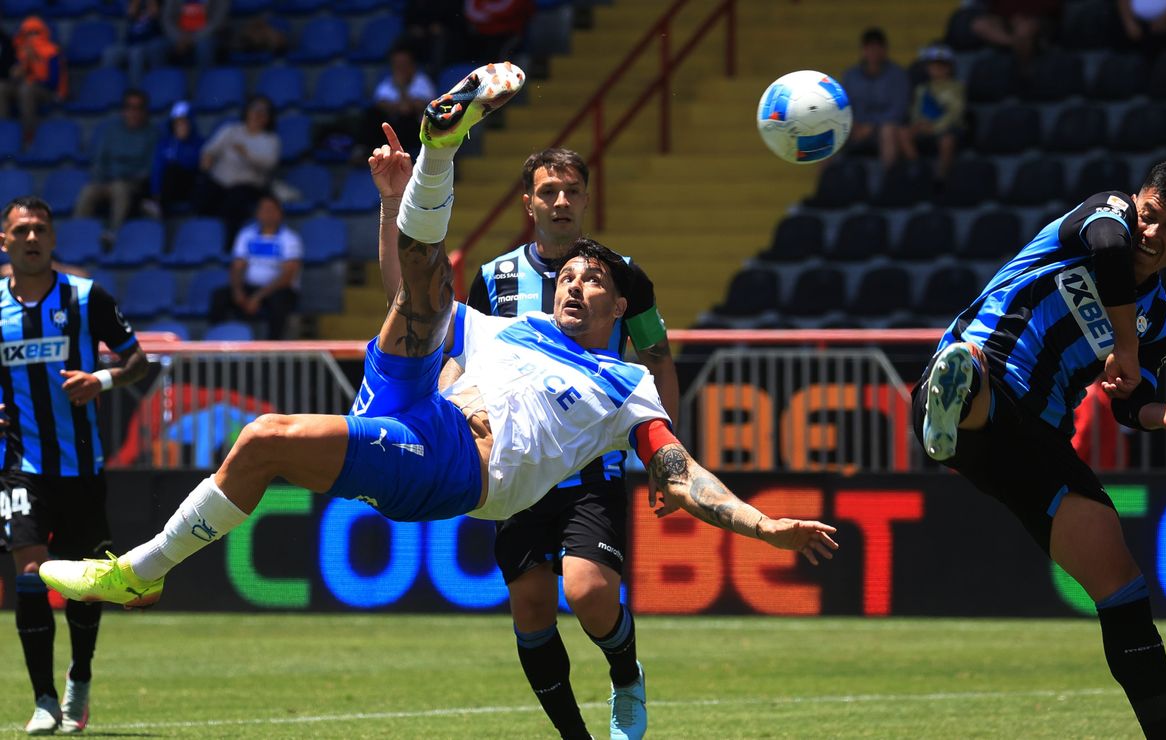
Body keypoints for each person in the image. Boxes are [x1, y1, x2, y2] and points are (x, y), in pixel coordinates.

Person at [38, 67, 840, 715]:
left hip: (455, 461)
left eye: (591, 279)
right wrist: (393, 203)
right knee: (428, 287)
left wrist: (764, 526)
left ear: (618, 305)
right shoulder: (514, 327)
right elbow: (408, 289)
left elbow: (679, 473)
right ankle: (438, 152)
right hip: (413, 397)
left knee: (265, 437)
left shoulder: (627, 383)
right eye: (566, 274)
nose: (571, 283)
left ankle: (138, 569)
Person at [913, 160, 1166, 739]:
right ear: (1136, 201)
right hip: (996, 369)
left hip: (1037, 441)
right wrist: (1124, 342)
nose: (1153, 232)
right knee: (982, 384)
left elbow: (1126, 399)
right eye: (1151, 215)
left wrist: (1160, 412)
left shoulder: (1162, 321)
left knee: (1122, 583)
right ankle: (954, 396)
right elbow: (1110, 247)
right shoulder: (1106, 215)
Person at [459, 146, 678, 740]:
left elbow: (656, 355)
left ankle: (625, 673)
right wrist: (459, 415)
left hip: (592, 462)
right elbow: (465, 357)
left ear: (585, 198)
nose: (561, 201)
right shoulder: (495, 278)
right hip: (516, 465)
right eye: (548, 191)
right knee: (530, 606)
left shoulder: (622, 273)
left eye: (572, 191)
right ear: (528, 202)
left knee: (588, 591)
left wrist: (663, 455)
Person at [0, 196, 149, 734]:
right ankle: (42, 701)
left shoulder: (87, 298)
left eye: (40, 228)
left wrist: (101, 380)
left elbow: (138, 362)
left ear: (53, 238)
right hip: (20, 464)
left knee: (85, 582)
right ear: (5, 241)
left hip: (83, 466)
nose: (32, 238)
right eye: (21, 230)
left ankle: (78, 678)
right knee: (31, 577)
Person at [207, 193, 302, 340]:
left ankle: (273, 350)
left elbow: (288, 275)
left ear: (280, 213)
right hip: (250, 286)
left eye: (271, 209)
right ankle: (218, 342)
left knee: (279, 303)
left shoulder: (290, 239)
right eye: (263, 209)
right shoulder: (246, 235)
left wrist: (258, 297)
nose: (267, 214)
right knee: (219, 297)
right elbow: (237, 266)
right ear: (257, 213)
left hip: (278, 289)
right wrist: (238, 291)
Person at [194, 94, 280, 249]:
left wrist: (247, 155)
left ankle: (229, 246)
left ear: (269, 117)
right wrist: (206, 161)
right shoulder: (231, 130)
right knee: (202, 195)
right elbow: (210, 150)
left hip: (247, 186)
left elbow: (269, 164)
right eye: (255, 109)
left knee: (234, 204)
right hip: (220, 181)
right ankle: (201, 242)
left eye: (264, 111)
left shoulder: (271, 140)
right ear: (247, 111)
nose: (258, 114)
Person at [73, 89, 158, 244]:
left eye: (138, 108)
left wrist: (127, 176)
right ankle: (77, 235)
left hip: (132, 183)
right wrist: (102, 178)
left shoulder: (152, 134)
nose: (133, 112)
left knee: (120, 188)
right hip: (107, 180)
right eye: (129, 107)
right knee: (88, 191)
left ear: (145, 111)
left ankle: (113, 234)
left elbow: (150, 166)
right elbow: (100, 160)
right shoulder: (111, 131)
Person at [840, 27, 910, 169]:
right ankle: (825, 185)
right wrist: (854, 125)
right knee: (825, 132)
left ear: (885, 50)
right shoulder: (850, 75)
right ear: (863, 50)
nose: (873, 52)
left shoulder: (898, 75)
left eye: (877, 48)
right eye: (869, 48)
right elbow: (842, 106)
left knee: (888, 130)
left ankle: (887, 184)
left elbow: (899, 109)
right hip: (855, 128)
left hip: (883, 129)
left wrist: (872, 126)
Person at [359, 42, 437, 160]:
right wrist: (400, 106)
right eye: (397, 64)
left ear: (412, 65)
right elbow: (380, 104)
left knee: (405, 118)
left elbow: (414, 107)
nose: (400, 68)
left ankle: (398, 156)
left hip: (416, 129)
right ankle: (364, 151)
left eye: (404, 64)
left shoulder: (422, 81)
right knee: (372, 114)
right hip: (394, 123)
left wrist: (401, 89)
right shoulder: (388, 82)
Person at [899, 44, 964, 183]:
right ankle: (918, 167)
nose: (937, 69)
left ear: (949, 68)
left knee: (947, 140)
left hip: (945, 129)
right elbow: (916, 111)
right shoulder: (922, 89)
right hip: (924, 127)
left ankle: (941, 177)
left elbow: (954, 114)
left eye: (942, 65)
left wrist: (934, 127)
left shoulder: (957, 88)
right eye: (934, 65)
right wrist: (919, 124)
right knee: (903, 132)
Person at [0, 16, 68, 144]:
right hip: (22, 86)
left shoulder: (51, 51)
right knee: (1, 88)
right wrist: (19, 70)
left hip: (47, 91)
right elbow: (13, 74)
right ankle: (3, 132)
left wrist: (34, 62)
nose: (31, 37)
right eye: (27, 33)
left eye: (35, 33)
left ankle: (29, 133)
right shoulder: (20, 51)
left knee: (26, 89)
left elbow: (53, 82)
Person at [144, 100, 203, 218]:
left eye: (184, 122)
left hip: (188, 186)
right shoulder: (164, 143)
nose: (181, 127)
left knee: (173, 170)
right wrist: (155, 192)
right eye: (177, 123)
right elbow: (157, 167)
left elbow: (194, 165)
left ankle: (160, 207)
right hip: (168, 187)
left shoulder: (199, 143)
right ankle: (156, 204)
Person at [161, 0, 230, 69]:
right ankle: (162, 78)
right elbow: (167, 19)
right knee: (155, 48)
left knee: (203, 47)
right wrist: (179, 37)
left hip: (207, 35)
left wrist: (192, 38)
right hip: (178, 35)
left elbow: (217, 22)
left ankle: (205, 78)